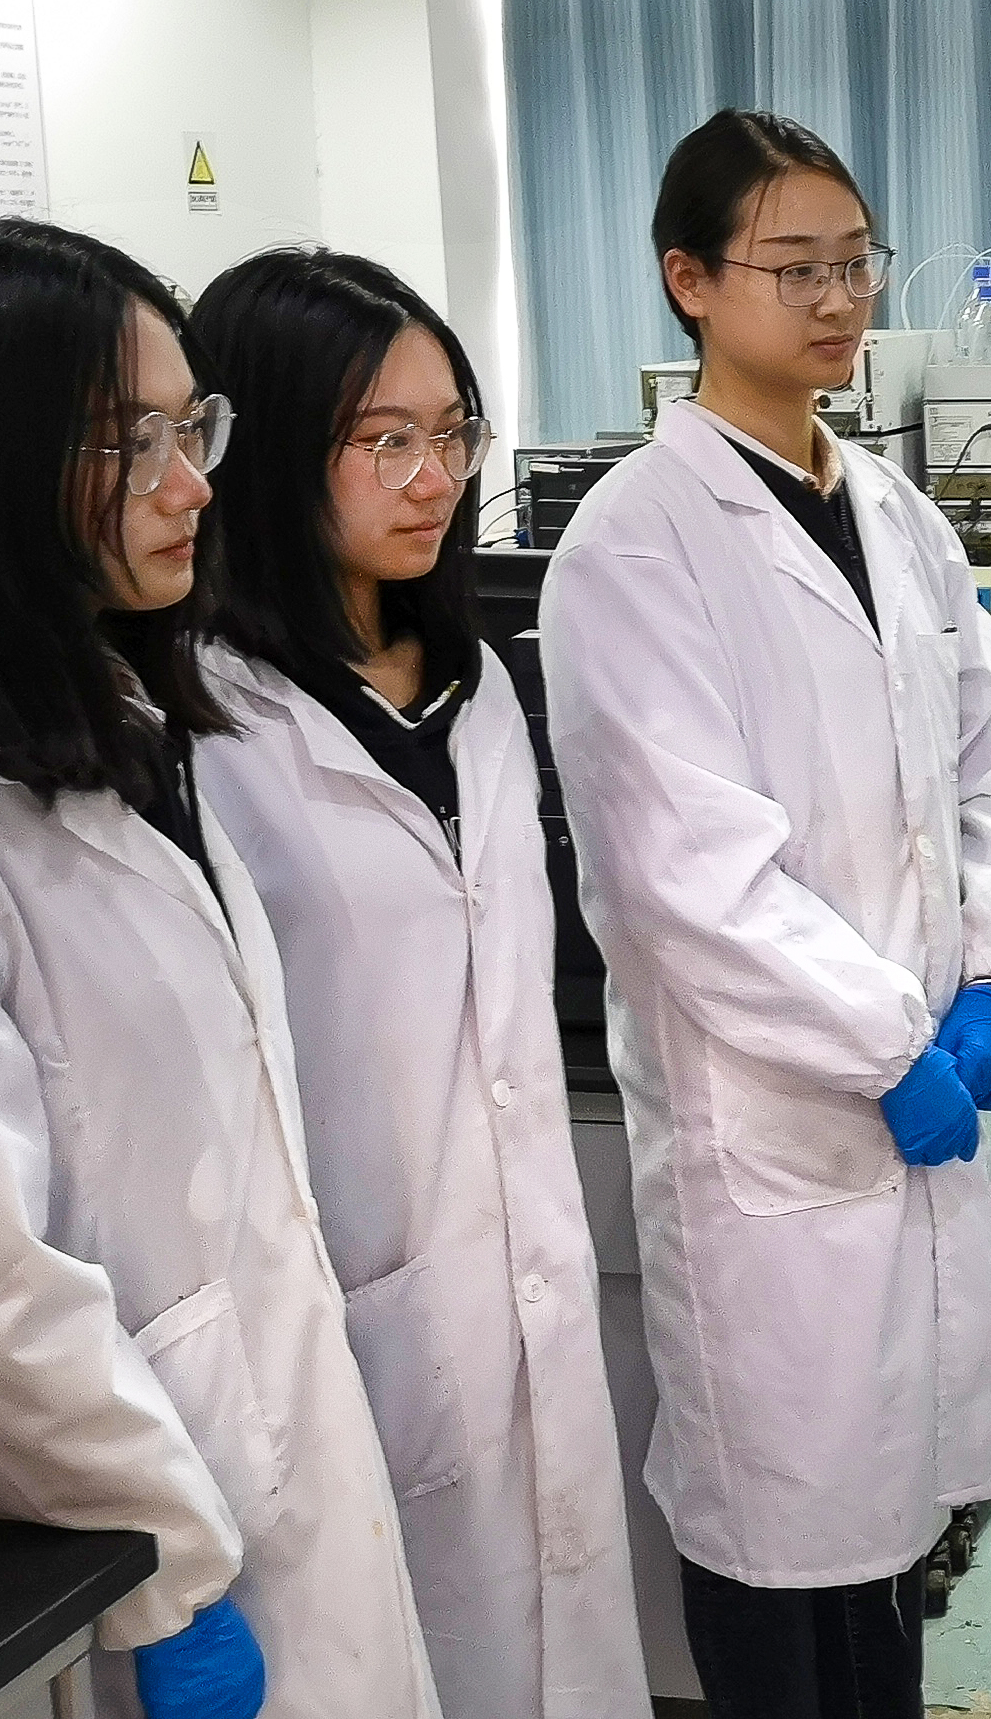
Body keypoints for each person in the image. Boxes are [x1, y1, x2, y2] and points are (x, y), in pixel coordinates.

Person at [0, 218, 441, 1719]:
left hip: (226, 1469)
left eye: (191, 427)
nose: (192, 485)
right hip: (36, 1565)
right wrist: (167, 1576)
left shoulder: (123, 738)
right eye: (129, 443)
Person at [541, 108, 991, 1718]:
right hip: (768, 1127)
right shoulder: (636, 543)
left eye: (855, 262)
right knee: (779, 1541)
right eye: (794, 267)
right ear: (689, 281)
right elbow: (689, 881)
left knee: (887, 1542)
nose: (839, 299)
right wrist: (887, 1046)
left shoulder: (902, 520)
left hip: (910, 1096)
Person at [185, 247, 648, 1719]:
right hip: (344, 1320)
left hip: (520, 1281)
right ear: (264, 449)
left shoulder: (478, 682)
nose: (434, 476)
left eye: (452, 432)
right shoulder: (199, 726)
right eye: (383, 439)